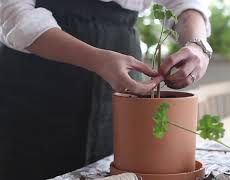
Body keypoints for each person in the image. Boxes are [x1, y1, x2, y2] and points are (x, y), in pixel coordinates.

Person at [0, 0, 213, 179]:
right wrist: (97, 59)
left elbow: (185, 2)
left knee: (120, 166)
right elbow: (13, 13)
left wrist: (198, 45)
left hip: (123, 61)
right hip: (39, 68)